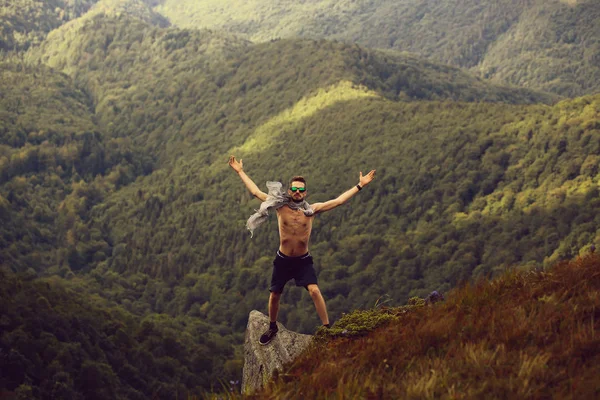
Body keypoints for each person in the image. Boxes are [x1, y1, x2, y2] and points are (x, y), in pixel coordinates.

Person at [228, 155, 376, 345]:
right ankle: (272, 326)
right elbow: (256, 192)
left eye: (301, 189)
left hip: (303, 260)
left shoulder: (312, 210)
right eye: (294, 189)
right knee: (275, 294)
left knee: (314, 290)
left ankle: (327, 329)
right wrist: (240, 172)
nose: (297, 192)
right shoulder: (280, 206)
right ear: (289, 190)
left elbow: (339, 201)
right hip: (283, 259)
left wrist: (360, 185)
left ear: (305, 193)